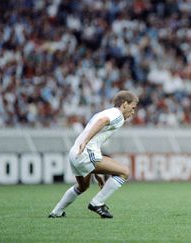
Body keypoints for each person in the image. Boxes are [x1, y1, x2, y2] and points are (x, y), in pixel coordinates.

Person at [48, 90, 139, 219]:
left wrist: (96, 173)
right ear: (124, 104)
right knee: (124, 172)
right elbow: (102, 121)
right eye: (133, 108)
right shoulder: (117, 115)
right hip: (85, 152)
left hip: (75, 152)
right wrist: (86, 141)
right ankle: (97, 203)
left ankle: (56, 211)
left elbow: (96, 137)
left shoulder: (106, 112)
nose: (133, 112)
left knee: (83, 186)